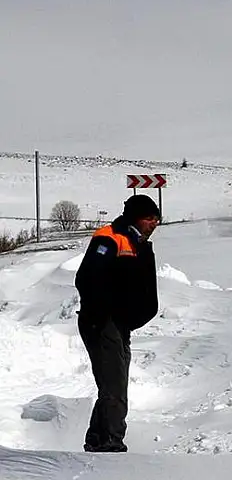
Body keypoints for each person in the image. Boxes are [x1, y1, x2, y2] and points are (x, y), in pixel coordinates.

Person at [74, 194, 161, 453]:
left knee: (114, 383)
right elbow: (87, 279)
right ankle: (110, 442)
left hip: (119, 323)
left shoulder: (136, 242)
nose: (153, 223)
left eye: (156, 219)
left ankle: (98, 438)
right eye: (149, 218)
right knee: (113, 384)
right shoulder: (109, 238)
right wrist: (102, 314)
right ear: (136, 218)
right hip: (101, 322)